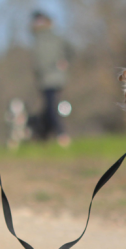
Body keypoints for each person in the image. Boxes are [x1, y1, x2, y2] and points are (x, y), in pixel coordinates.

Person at [31, 11, 72, 147]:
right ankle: (42, 135)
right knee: (48, 107)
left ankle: (61, 134)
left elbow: (70, 50)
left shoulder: (51, 38)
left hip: (53, 78)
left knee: (51, 107)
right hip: (46, 78)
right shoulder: (38, 38)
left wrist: (64, 60)